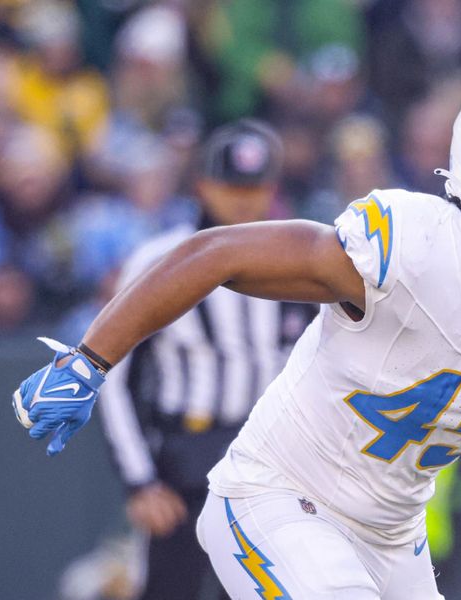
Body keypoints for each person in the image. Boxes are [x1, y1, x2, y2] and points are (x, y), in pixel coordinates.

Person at [13, 71, 461, 599]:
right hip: (276, 494)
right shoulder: (409, 247)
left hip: (394, 535)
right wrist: (88, 360)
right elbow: (214, 252)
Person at [97, 119, 316, 600]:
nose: (243, 199)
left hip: (271, 469)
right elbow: (113, 377)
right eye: (231, 186)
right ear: (201, 185)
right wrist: (141, 481)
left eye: (255, 187)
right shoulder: (160, 260)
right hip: (185, 462)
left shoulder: (301, 265)